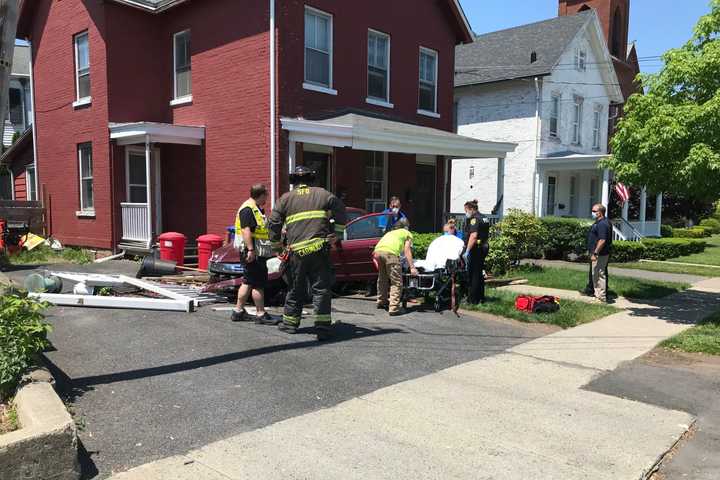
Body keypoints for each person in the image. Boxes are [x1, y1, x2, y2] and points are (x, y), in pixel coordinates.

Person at [268, 166, 347, 341]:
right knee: (321, 289)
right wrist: (338, 235)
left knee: (295, 287)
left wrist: (277, 247)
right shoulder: (323, 194)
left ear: (293, 182)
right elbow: (341, 211)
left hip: (296, 252)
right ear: (312, 180)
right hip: (320, 249)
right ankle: (322, 328)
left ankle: (290, 324)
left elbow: (273, 223)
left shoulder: (285, 199)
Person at [232, 184, 278, 325]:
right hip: (253, 252)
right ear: (261, 195)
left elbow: (259, 229)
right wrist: (251, 250)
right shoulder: (248, 209)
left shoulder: (256, 209)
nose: (267, 199)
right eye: (266, 196)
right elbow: (246, 231)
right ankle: (260, 313)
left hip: (255, 251)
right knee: (258, 284)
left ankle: (238, 311)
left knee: (248, 281)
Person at [374, 218, 418, 316]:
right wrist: (412, 267)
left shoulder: (390, 233)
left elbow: (379, 248)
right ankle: (394, 308)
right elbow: (407, 250)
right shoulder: (407, 233)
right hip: (390, 254)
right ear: (406, 227)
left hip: (378, 252)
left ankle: (381, 301)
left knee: (382, 279)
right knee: (396, 282)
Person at [463, 200, 490, 304]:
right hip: (483, 246)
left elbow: (473, 236)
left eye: (466, 210)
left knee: (473, 274)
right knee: (479, 273)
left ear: (471, 209)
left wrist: (467, 251)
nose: (466, 213)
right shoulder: (484, 217)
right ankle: (481, 297)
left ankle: (472, 300)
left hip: (476, 249)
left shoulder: (475, 219)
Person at [586, 203, 613, 302]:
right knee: (596, 274)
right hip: (599, 253)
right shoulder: (601, 222)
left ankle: (601, 298)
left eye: (594, 211)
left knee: (599, 275)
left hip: (600, 254)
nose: (592, 213)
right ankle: (597, 295)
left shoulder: (603, 224)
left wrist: (595, 253)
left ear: (600, 212)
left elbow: (602, 240)